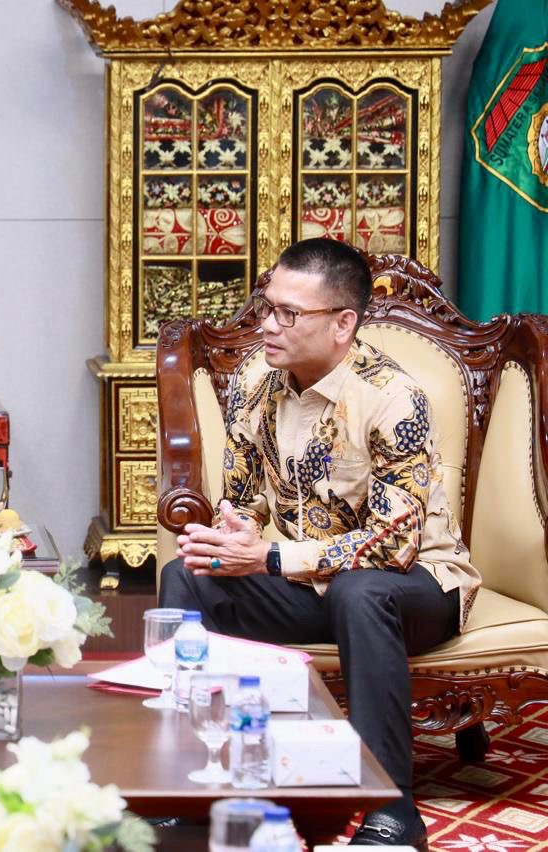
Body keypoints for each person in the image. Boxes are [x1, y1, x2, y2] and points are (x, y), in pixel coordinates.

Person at [159, 238, 480, 850]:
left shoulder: (393, 399)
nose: (268, 325)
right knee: (189, 576)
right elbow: (243, 496)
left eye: (289, 313)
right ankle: (190, 788)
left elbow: (394, 545)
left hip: (417, 586)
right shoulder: (256, 380)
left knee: (361, 592)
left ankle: (393, 812)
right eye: (268, 306)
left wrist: (271, 557)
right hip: (311, 583)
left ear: (342, 323)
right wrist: (236, 532)